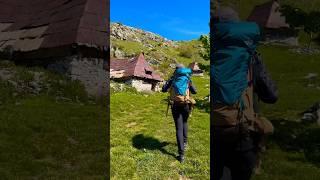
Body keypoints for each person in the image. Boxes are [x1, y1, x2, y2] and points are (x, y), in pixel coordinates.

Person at [211, 6, 261, 180]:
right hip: (240, 126)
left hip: (213, 126)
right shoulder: (248, 55)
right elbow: (272, 95)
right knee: (241, 171)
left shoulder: (209, 51)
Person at [162, 63, 197, 163]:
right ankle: (185, 142)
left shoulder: (173, 78)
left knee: (179, 127)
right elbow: (195, 91)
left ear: (176, 70)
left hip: (175, 105)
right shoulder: (187, 78)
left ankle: (181, 155)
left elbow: (163, 89)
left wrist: (169, 83)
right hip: (186, 105)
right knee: (185, 122)